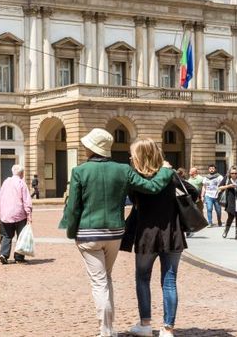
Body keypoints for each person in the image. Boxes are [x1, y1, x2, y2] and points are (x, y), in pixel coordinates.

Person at [61, 128, 173, 337]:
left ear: (91, 148)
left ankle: (106, 331)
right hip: (114, 233)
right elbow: (151, 187)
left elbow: (73, 208)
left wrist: (71, 232)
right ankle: (109, 328)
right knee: (107, 277)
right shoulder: (123, 169)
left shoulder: (79, 171)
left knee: (99, 282)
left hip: (88, 234)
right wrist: (166, 171)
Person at [127, 139, 197, 337]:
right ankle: (167, 329)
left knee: (142, 278)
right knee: (169, 281)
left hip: (146, 235)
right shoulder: (170, 175)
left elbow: (134, 200)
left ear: (139, 156)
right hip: (172, 233)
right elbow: (193, 192)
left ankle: (145, 324)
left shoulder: (135, 178)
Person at [0, 164, 32, 264]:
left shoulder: (6, 182)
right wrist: (29, 215)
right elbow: (26, 200)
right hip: (19, 214)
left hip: (5, 214)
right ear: (22, 173)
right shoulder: (22, 183)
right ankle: (19, 257)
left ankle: (4, 254)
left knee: (6, 235)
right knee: (21, 236)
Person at [218, 166, 237, 240]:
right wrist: (229, 186)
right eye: (232, 173)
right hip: (230, 200)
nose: (234, 174)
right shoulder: (226, 179)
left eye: (236, 173)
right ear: (230, 173)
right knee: (231, 217)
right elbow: (219, 187)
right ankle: (226, 231)